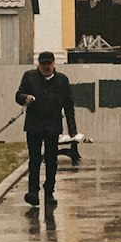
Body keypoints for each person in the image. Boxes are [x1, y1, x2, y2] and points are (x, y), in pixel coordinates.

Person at [15, 51, 77, 208]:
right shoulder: (29, 76)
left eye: (49, 64)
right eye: (43, 64)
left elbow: (68, 104)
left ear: (54, 64)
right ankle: (33, 192)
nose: (46, 67)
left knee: (51, 160)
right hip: (34, 125)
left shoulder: (62, 80)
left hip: (53, 126)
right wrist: (25, 97)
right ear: (39, 65)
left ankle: (49, 191)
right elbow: (18, 95)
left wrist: (72, 128)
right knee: (34, 159)